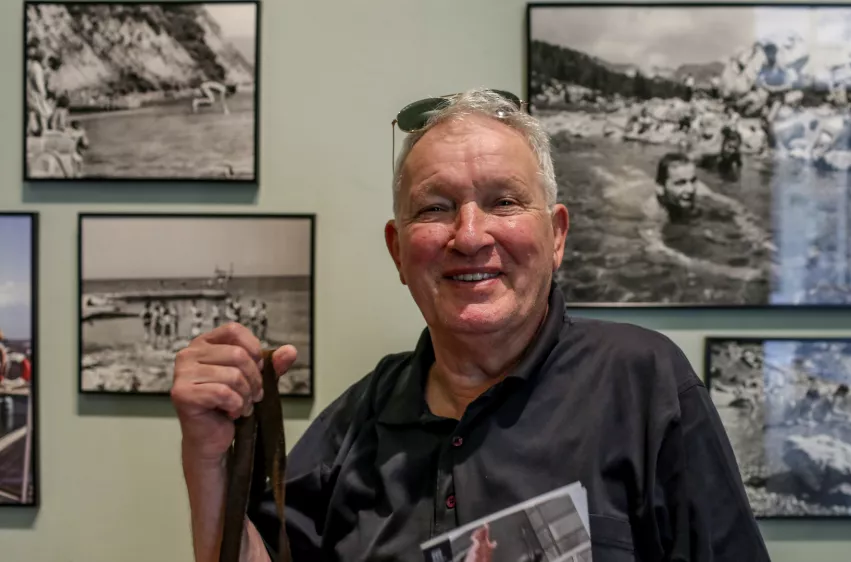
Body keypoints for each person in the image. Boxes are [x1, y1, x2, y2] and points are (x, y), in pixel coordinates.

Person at [170, 87, 770, 562]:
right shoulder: (356, 422)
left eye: (504, 201)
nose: (470, 235)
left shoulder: (644, 384)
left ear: (556, 235)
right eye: (436, 208)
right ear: (398, 251)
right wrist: (206, 456)